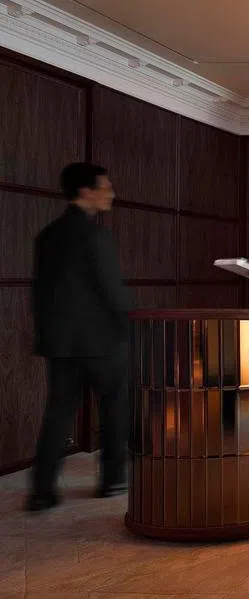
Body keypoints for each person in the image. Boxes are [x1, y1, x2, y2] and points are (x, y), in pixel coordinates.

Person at [29, 162, 132, 511]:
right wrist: (132, 325)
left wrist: (47, 335)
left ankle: (42, 491)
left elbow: (40, 293)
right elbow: (112, 291)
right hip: (102, 341)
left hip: (61, 344)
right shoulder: (96, 236)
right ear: (86, 192)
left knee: (58, 414)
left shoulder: (48, 235)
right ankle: (113, 480)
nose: (111, 193)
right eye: (106, 187)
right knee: (114, 409)